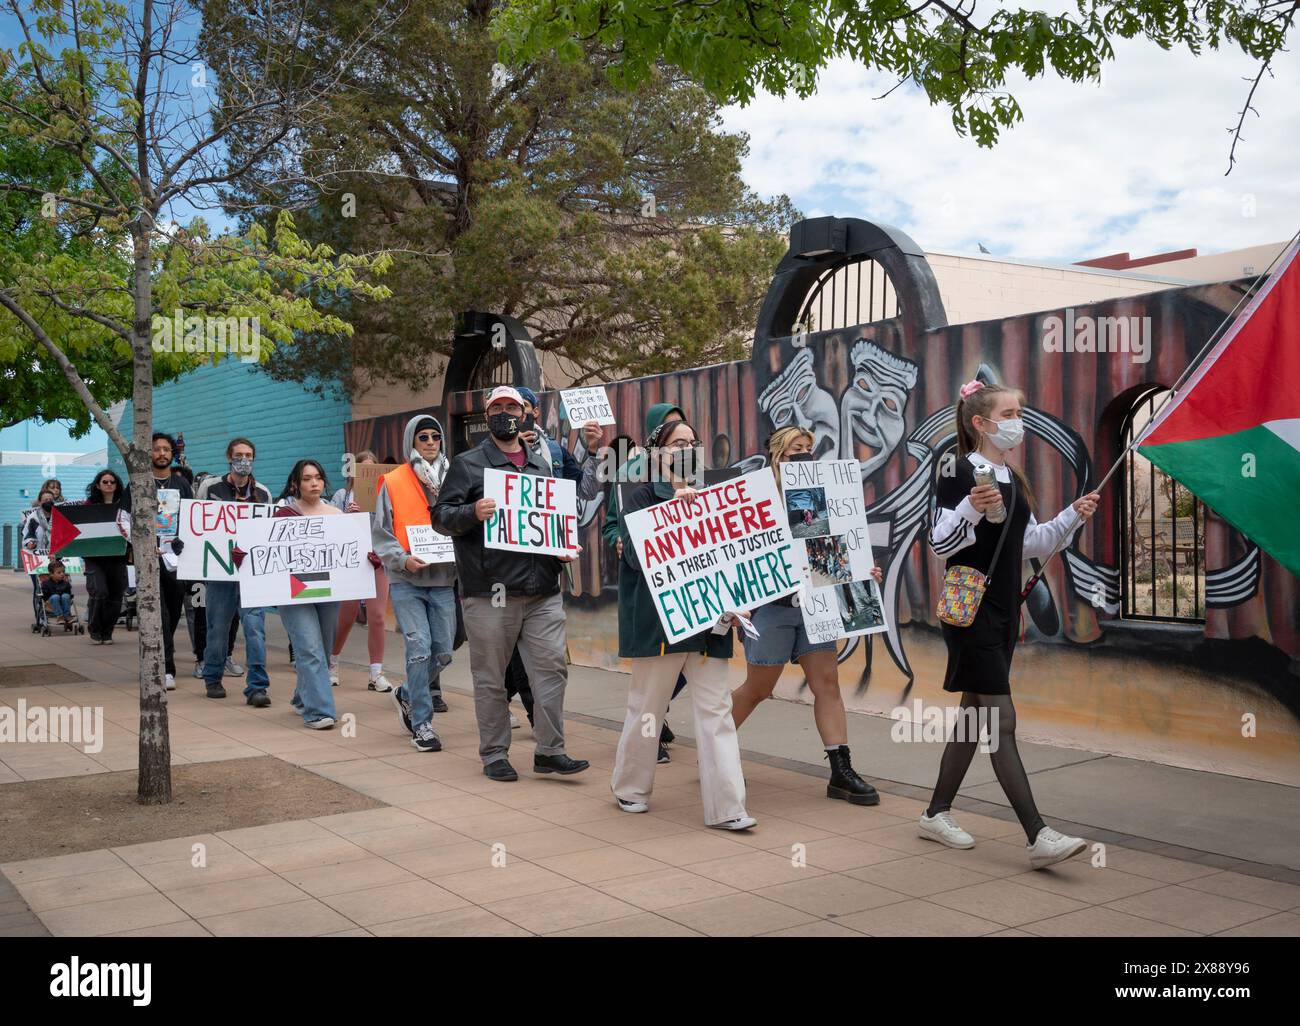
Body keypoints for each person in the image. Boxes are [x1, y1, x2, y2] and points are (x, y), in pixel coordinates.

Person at [921, 380, 1100, 869]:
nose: (1017, 420)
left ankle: (936, 813)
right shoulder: (960, 472)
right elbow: (939, 543)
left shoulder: (1013, 478)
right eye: (1008, 412)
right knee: (1000, 721)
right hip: (971, 611)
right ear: (980, 423)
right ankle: (1037, 834)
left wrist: (1072, 516)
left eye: (1018, 411)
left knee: (974, 717)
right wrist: (968, 510)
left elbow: (1029, 544)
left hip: (1003, 613)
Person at [432, 385, 588, 781]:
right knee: (491, 678)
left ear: (525, 413)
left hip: (543, 591)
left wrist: (563, 549)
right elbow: (440, 517)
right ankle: (494, 754)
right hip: (490, 592)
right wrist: (471, 511)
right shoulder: (468, 465)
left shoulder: (542, 463)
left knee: (552, 672)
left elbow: (550, 520)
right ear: (488, 415)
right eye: (497, 407)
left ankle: (550, 751)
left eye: (512, 407)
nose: (505, 412)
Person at [612, 416, 756, 829]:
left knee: (717, 711)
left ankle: (728, 808)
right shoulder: (639, 499)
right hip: (661, 627)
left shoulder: (716, 497)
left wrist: (741, 598)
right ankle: (630, 788)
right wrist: (674, 513)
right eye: (677, 443)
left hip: (711, 624)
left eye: (693, 442)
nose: (687, 449)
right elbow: (637, 559)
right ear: (658, 453)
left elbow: (733, 554)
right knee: (648, 708)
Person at [728, 426, 884, 805]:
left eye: (809, 449)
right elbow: (737, 553)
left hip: (816, 606)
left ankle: (841, 770)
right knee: (759, 688)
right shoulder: (758, 498)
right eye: (796, 449)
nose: (805, 455)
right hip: (772, 608)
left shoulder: (821, 497)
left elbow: (833, 554)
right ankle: (717, 754)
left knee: (827, 684)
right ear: (778, 456)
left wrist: (861, 573)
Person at [505, 387, 605, 729]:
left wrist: (591, 451)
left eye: (524, 408)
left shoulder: (554, 451)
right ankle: (537, 716)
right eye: (511, 410)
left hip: (548, 563)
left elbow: (586, 489)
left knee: (537, 648)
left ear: (533, 410)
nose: (519, 415)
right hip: (509, 566)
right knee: (517, 645)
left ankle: (506, 701)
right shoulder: (491, 454)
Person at [601, 403, 689, 762]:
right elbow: (611, 524)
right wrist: (620, 540)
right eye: (670, 434)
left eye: (687, 438)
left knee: (683, 674)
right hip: (651, 594)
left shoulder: (696, 478)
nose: (681, 445)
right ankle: (648, 741)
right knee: (653, 682)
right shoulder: (631, 479)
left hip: (688, 589)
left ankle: (658, 718)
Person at [373, 417, 459, 753]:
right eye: (422, 436)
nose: (430, 441)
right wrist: (401, 559)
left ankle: (406, 692)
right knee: (420, 648)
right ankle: (422, 724)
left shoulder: (455, 477)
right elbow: (380, 531)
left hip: (442, 578)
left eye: (435, 435)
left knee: (444, 652)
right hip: (407, 578)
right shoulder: (392, 481)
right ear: (412, 440)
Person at [256, 460, 346, 729]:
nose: (314, 483)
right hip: (293, 592)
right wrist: (245, 555)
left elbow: (348, 554)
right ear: (296, 483)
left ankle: (301, 698)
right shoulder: (283, 516)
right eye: (307, 479)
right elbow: (267, 551)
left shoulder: (336, 515)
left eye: (318, 477)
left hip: (328, 590)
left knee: (323, 649)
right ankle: (320, 711)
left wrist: (368, 557)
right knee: (309, 648)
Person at [194, 438, 272, 705]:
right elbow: (197, 523)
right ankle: (213, 677)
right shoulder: (210, 487)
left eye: (249, 455)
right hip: (219, 572)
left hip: (250, 572)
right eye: (239, 455)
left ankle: (258, 687)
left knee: (255, 628)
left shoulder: (262, 493)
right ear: (229, 457)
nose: (244, 459)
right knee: (218, 627)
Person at [122, 433, 193, 691]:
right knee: (159, 612)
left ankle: (160, 653)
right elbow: (122, 519)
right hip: (148, 559)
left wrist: (183, 542)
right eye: (156, 449)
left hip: (175, 559)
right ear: (148, 453)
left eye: (166, 449)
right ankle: (166, 668)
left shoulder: (183, 484)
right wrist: (141, 545)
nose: (161, 453)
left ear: (172, 453)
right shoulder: (137, 483)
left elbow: (192, 518)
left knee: (173, 612)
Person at [329, 450, 393, 692]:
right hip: (351, 562)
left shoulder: (385, 496)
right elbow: (329, 530)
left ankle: (376, 672)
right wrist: (347, 516)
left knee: (377, 617)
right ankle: (332, 662)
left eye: (372, 469)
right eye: (363, 469)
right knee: (346, 616)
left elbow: (392, 527)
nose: (367, 474)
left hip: (377, 560)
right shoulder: (343, 496)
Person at [83, 470, 130, 645]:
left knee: (116, 595)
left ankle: (107, 631)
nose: (109, 484)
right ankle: (95, 629)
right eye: (105, 482)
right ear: (98, 485)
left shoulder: (124, 505)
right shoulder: (89, 505)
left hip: (118, 557)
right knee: (99, 592)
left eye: (112, 482)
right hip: (95, 558)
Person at [42, 559, 74, 625]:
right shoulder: (46, 584)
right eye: (59, 572)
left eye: (63, 572)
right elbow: (45, 597)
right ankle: (60, 616)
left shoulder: (66, 583)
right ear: (51, 574)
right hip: (50, 604)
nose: (62, 574)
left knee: (65, 596)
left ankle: (67, 615)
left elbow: (69, 595)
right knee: (55, 597)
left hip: (64, 603)